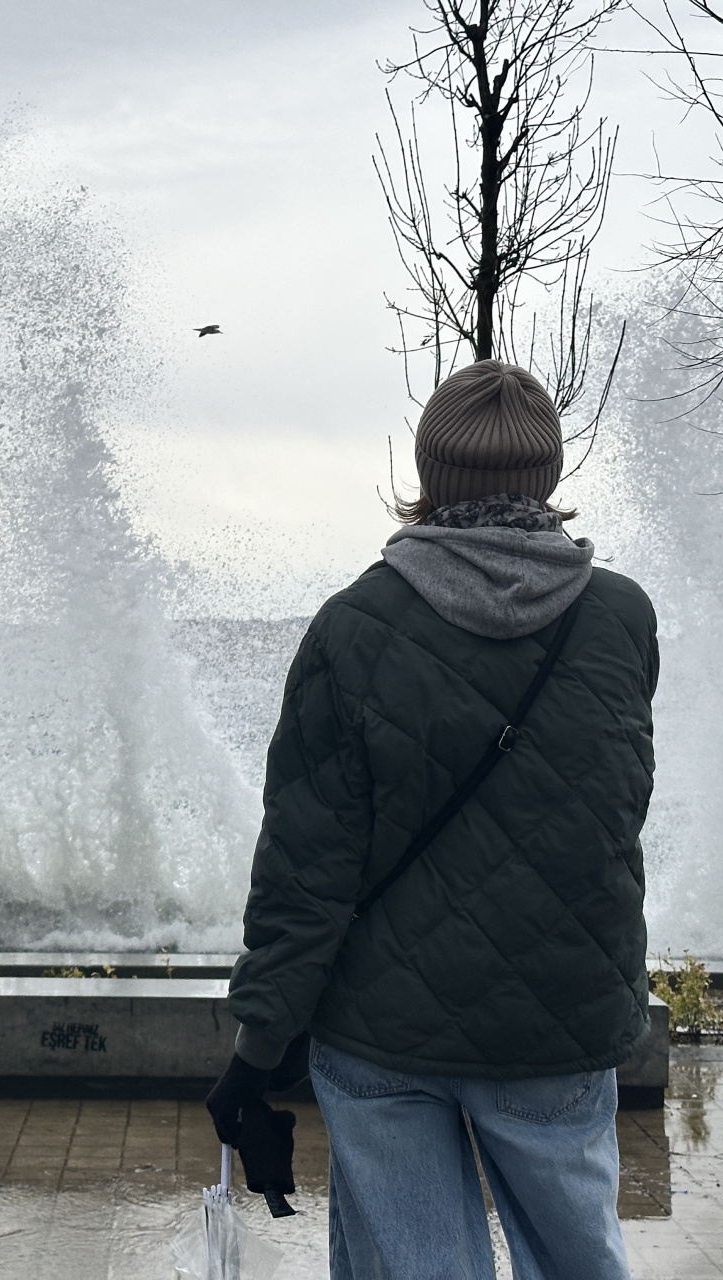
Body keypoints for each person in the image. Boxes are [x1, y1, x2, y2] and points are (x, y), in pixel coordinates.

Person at [208, 361, 657, 1279]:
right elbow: (609, 817)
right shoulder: (620, 618)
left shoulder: (352, 626)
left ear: (427, 475)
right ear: (548, 475)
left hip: (383, 1030)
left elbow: (307, 865)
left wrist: (258, 1045)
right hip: (560, 1026)